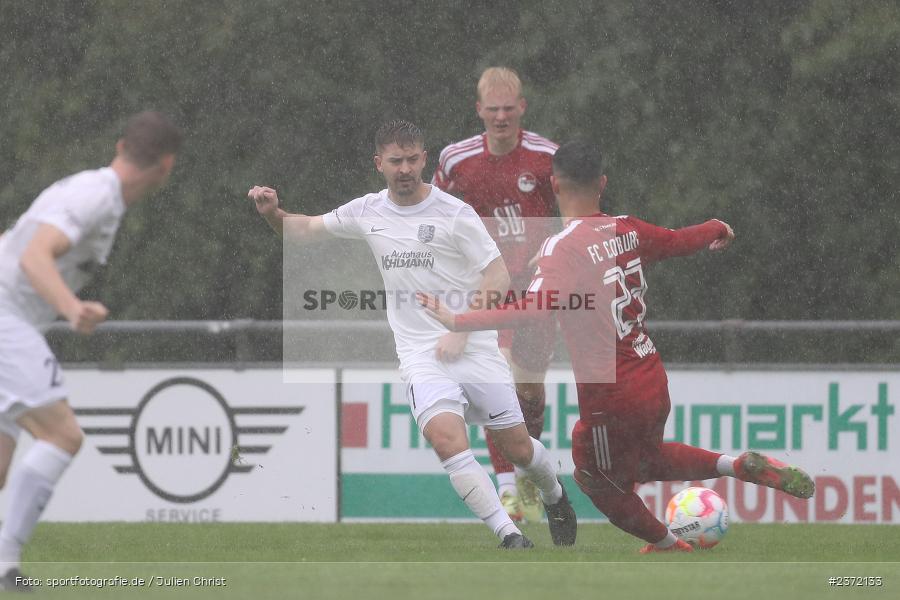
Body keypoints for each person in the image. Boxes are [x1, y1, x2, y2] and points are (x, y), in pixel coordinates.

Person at [420, 140, 815, 553]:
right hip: (651, 373)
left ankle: (666, 545)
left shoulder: (562, 247)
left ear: (554, 185)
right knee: (646, 460)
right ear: (602, 183)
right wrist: (716, 226)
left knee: (596, 479)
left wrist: (458, 320)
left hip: (610, 393)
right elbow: (679, 240)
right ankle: (733, 466)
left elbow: (534, 310)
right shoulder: (627, 228)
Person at [248, 120, 576, 548]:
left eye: (411, 159)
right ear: (378, 163)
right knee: (446, 439)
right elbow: (304, 230)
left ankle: (554, 495)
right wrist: (274, 214)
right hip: (421, 353)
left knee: (518, 448)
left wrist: (461, 326)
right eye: (394, 160)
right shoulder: (367, 211)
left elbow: (496, 276)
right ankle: (509, 534)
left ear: (424, 159)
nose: (404, 168)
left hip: (474, 347)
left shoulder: (453, 213)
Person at [0, 111, 182, 589]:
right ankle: (5, 568)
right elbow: (34, 254)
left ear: (122, 147)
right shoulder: (96, 196)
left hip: (12, 319)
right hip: (6, 319)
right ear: (166, 165)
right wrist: (72, 307)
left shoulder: (97, 191)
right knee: (62, 435)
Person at [432, 67, 558, 522]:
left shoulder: (547, 159)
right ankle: (509, 490)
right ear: (479, 110)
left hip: (536, 292)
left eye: (509, 109)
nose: (501, 117)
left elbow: (575, 213)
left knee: (528, 391)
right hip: (486, 288)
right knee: (494, 381)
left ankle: (527, 478)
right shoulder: (456, 160)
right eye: (493, 109)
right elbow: (435, 218)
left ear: (522, 107)